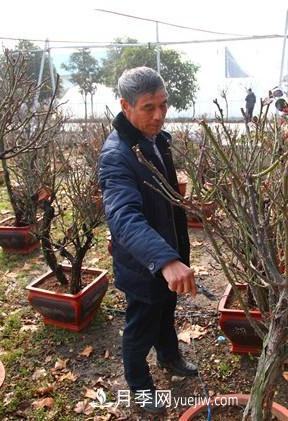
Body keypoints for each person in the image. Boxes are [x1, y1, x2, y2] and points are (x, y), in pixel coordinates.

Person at [99, 67, 198, 415]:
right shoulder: (117, 156)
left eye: (163, 104)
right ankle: (141, 391)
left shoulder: (155, 140)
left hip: (166, 256)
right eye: (148, 107)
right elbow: (124, 217)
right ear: (126, 106)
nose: (159, 115)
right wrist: (165, 260)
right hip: (145, 265)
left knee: (165, 313)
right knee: (139, 329)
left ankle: (170, 357)